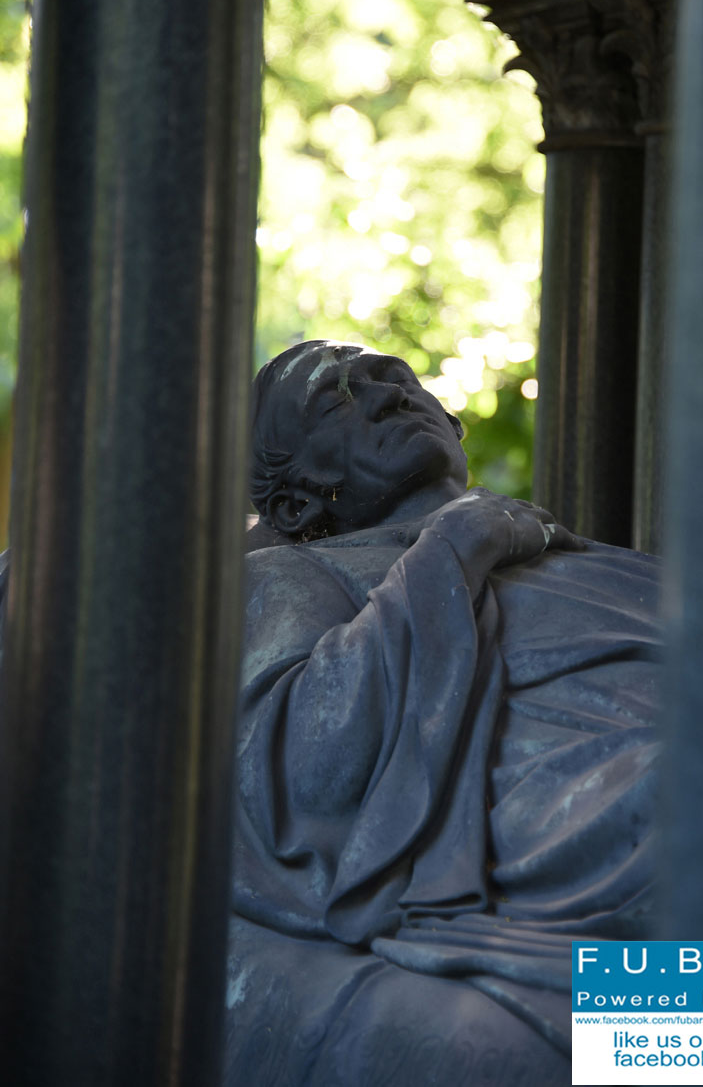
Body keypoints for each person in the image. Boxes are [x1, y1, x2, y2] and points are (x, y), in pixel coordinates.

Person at [226, 340, 662, 1087]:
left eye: (396, 379)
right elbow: (300, 777)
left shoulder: (609, 561)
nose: (388, 392)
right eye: (340, 396)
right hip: (556, 795)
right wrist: (455, 550)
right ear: (295, 501)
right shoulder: (291, 574)